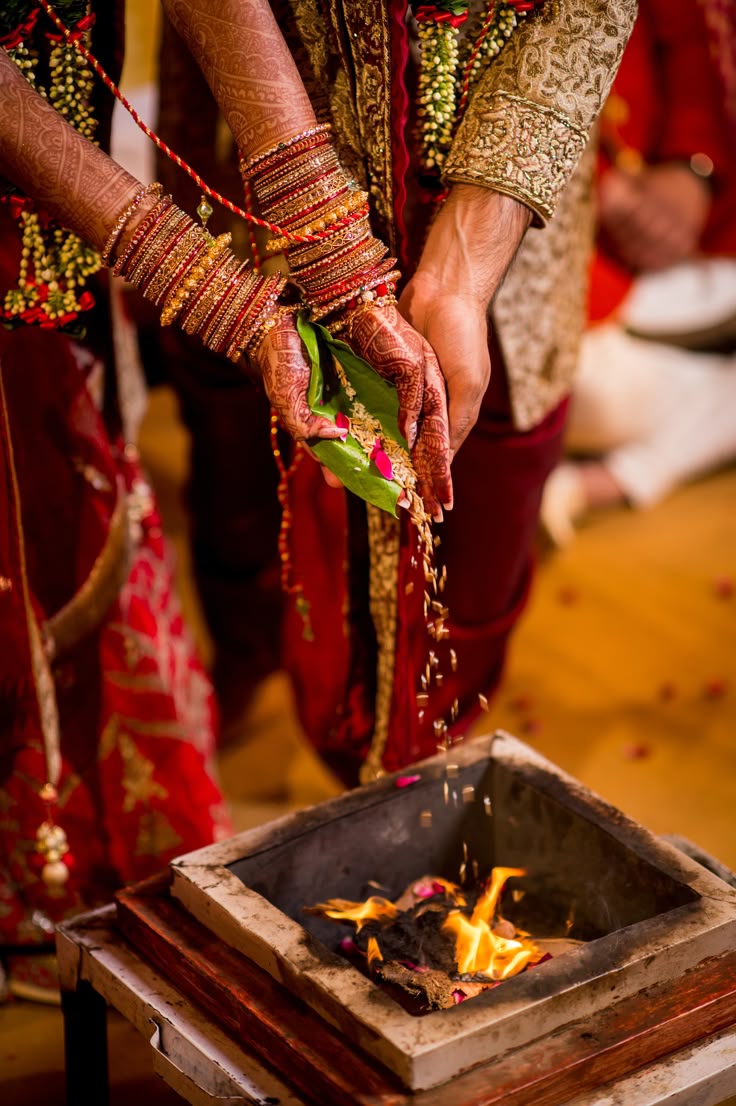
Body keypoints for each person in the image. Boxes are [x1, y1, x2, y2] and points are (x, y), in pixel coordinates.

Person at [0, 0, 448, 996]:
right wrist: (227, 300)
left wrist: (344, 279)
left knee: (64, 499)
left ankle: (72, 862)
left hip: (56, 199)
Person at [223, 0, 635, 784]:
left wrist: (465, 261)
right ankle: (332, 754)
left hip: (522, 256)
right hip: (292, 208)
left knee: (482, 545)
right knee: (301, 533)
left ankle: (418, 777)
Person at [540, 0, 736, 546]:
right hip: (555, 295)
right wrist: (587, 187)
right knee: (594, 396)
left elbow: (688, 39)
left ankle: (597, 483)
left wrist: (692, 168)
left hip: (668, 253)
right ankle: (605, 477)